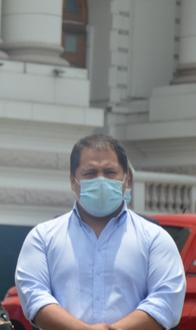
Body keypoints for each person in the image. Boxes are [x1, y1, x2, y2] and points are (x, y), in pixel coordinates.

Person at [15, 134, 186, 330]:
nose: (101, 180)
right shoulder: (42, 238)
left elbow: (166, 301)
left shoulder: (155, 239)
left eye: (110, 172)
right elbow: (34, 297)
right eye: (90, 173)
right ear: (73, 181)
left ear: (127, 180)